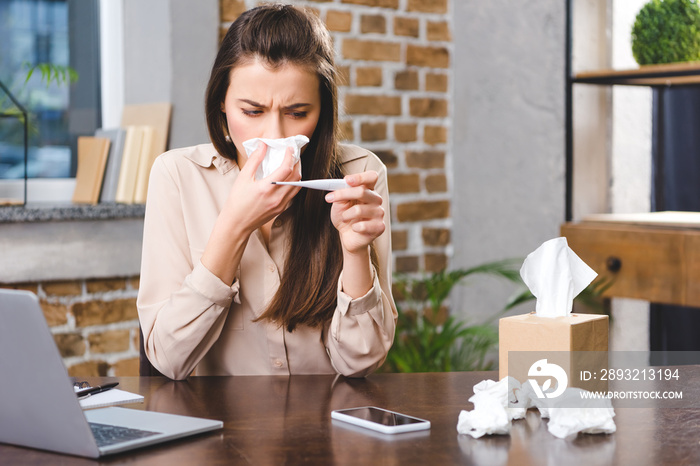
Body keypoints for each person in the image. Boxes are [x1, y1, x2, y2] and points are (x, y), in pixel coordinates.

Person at [137, 4, 397, 380]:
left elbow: (362, 361)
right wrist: (235, 226)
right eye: (252, 112)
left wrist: (355, 252)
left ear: (322, 112)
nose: (274, 136)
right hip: (219, 427)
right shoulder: (178, 175)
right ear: (222, 107)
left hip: (323, 427)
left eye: (296, 112)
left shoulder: (358, 174)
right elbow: (169, 359)